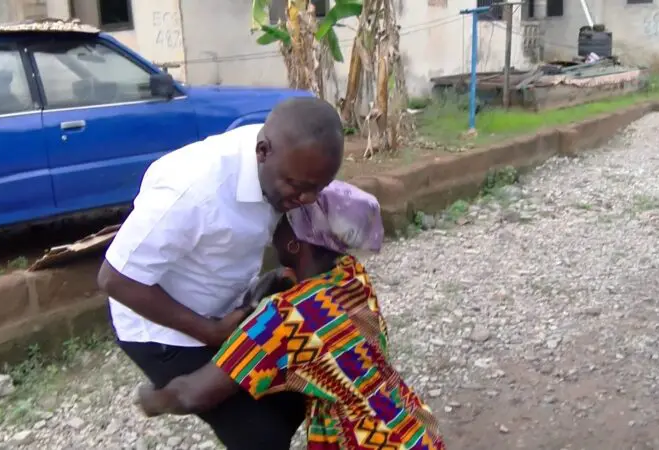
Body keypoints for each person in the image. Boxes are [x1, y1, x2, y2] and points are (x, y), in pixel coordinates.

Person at [97, 97, 345, 449]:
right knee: (260, 435)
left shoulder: (284, 164)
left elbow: (287, 224)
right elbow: (115, 279)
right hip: (163, 330)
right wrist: (210, 332)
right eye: (298, 186)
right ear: (263, 151)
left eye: (317, 188)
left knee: (298, 395)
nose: (307, 198)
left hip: (226, 305)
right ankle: (166, 395)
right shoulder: (192, 190)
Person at [137, 180, 446, 450]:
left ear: (292, 242)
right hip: (411, 425)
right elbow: (320, 313)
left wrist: (154, 400)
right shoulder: (352, 275)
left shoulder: (284, 318)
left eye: (280, 222)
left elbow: (195, 394)